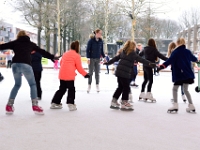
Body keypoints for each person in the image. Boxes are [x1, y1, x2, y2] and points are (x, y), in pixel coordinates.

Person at [0, 31, 59, 115]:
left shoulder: (15, 43)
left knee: (17, 85)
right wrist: (52, 56)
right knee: (32, 84)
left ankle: (9, 105)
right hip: (25, 64)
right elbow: (42, 51)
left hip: (15, 65)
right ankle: (35, 105)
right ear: (27, 37)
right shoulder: (30, 44)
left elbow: (2, 46)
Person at [104, 40, 156, 111]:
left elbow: (115, 58)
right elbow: (141, 59)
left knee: (120, 87)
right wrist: (150, 63)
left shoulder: (123, 52)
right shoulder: (132, 53)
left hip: (119, 72)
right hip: (125, 73)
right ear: (133, 47)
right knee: (126, 87)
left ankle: (114, 101)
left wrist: (108, 63)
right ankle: (124, 102)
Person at [158, 38, 198, 113]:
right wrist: (197, 60)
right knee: (186, 90)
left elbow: (169, 60)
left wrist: (162, 66)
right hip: (187, 73)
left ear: (177, 43)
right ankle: (191, 105)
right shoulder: (188, 51)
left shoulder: (175, 52)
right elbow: (194, 59)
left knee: (175, 89)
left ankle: (175, 105)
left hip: (179, 73)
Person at [51, 41, 90, 111]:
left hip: (62, 74)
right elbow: (79, 67)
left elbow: (61, 62)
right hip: (69, 75)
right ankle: (70, 103)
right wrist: (85, 74)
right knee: (71, 89)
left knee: (62, 89)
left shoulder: (65, 53)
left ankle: (55, 102)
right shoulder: (77, 55)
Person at [86, 29, 106, 93]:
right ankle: (89, 85)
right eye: (100, 33)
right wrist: (88, 58)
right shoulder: (91, 41)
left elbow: (101, 51)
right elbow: (87, 50)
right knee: (90, 73)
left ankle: (97, 85)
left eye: (101, 33)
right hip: (91, 58)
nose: (101, 34)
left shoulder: (101, 41)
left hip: (98, 59)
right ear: (96, 33)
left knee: (97, 73)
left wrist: (104, 57)